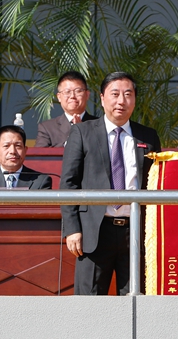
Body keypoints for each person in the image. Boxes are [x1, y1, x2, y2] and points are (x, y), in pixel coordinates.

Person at [60, 71, 161, 295]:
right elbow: (68, 183)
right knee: (90, 302)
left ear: (135, 99)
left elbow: (155, 184)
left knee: (136, 301)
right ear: (102, 97)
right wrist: (72, 229)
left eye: (128, 94)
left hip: (135, 231)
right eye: (115, 94)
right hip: (94, 231)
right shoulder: (82, 132)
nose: (121, 101)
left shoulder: (148, 136)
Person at [0, 125, 52, 190]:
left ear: (25, 150)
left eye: (18, 146)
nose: (12, 151)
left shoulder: (41, 181)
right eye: (6, 146)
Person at [35, 71, 98, 147]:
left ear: (87, 95)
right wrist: (71, 141)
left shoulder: (100, 125)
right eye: (67, 92)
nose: (72, 96)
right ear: (59, 97)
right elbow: (40, 153)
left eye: (78, 91)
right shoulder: (47, 128)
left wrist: (82, 132)